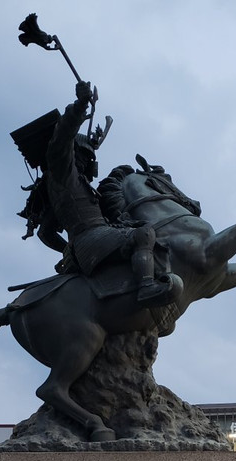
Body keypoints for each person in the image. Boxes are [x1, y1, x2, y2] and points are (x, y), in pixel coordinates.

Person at [41, 80, 175, 307]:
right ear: (76, 154)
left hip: (90, 239)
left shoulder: (80, 186)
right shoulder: (62, 172)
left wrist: (67, 249)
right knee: (142, 234)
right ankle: (146, 287)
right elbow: (61, 140)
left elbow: (45, 232)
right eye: (86, 156)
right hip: (87, 241)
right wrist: (80, 106)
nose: (90, 163)